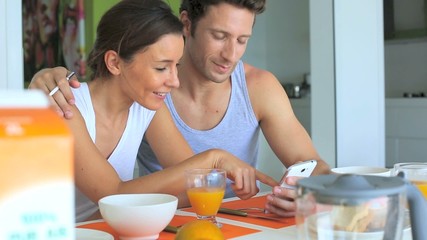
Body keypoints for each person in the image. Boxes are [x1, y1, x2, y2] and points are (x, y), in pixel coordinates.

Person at [29, 0, 331, 218]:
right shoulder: (69, 105)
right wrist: (216, 159)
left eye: (242, 40)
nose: (173, 81)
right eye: (162, 67)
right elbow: (114, 195)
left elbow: (195, 181)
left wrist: (288, 193)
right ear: (114, 62)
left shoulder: (146, 105)